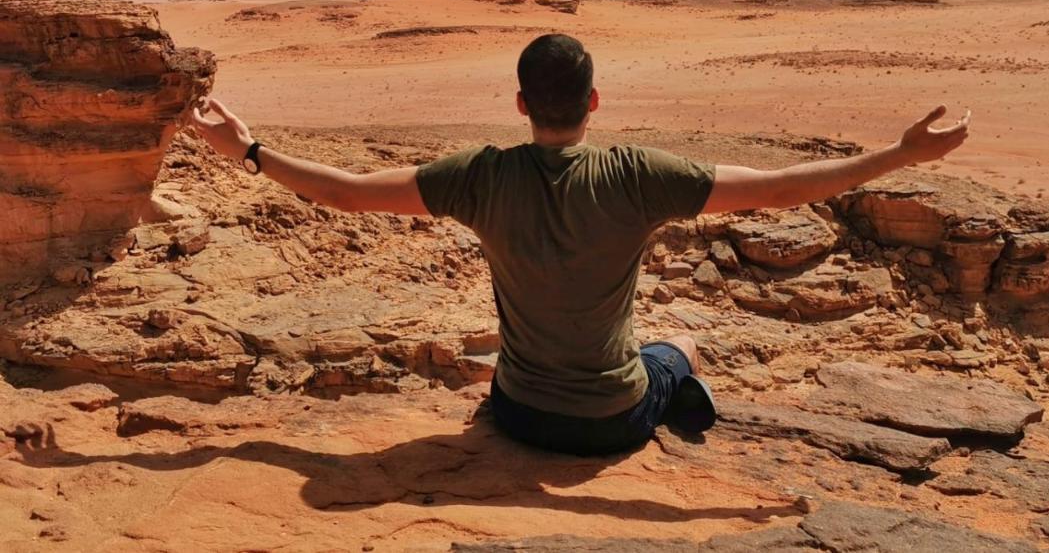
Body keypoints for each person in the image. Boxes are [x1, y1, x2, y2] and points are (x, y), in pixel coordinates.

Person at [191, 33, 969, 455]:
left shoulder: (478, 178)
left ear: (522, 103)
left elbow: (345, 192)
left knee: (512, 363)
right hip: (611, 423)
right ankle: (675, 387)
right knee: (683, 341)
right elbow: (775, 188)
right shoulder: (639, 176)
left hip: (521, 413)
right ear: (595, 100)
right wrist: (901, 157)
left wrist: (250, 152)